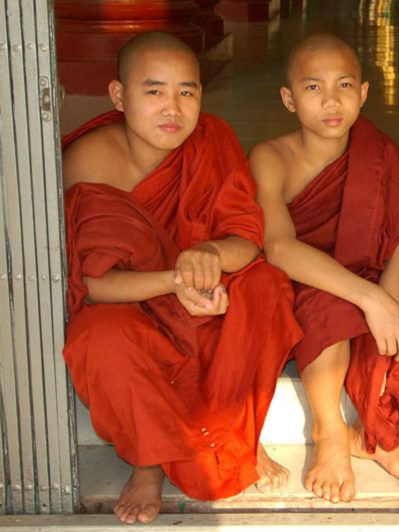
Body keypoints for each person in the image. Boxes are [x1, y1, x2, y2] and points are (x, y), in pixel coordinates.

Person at [61, 32, 302, 524]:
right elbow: (95, 286)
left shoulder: (213, 140)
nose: (173, 108)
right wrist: (176, 280)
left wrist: (210, 254)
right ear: (118, 96)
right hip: (131, 307)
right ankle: (148, 461)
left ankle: (238, 435)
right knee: (96, 338)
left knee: (264, 288)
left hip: (202, 299)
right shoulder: (90, 160)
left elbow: (247, 239)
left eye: (187, 92)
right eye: (154, 91)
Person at [250, 32, 399, 504]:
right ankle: (331, 433)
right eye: (313, 88)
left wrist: (389, 306)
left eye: (345, 86)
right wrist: (370, 300)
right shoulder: (271, 157)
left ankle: (373, 432)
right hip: (310, 285)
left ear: (365, 93)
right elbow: (278, 247)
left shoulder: (382, 156)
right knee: (330, 302)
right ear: (289, 99)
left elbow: (397, 244)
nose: (331, 101)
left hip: (374, 277)